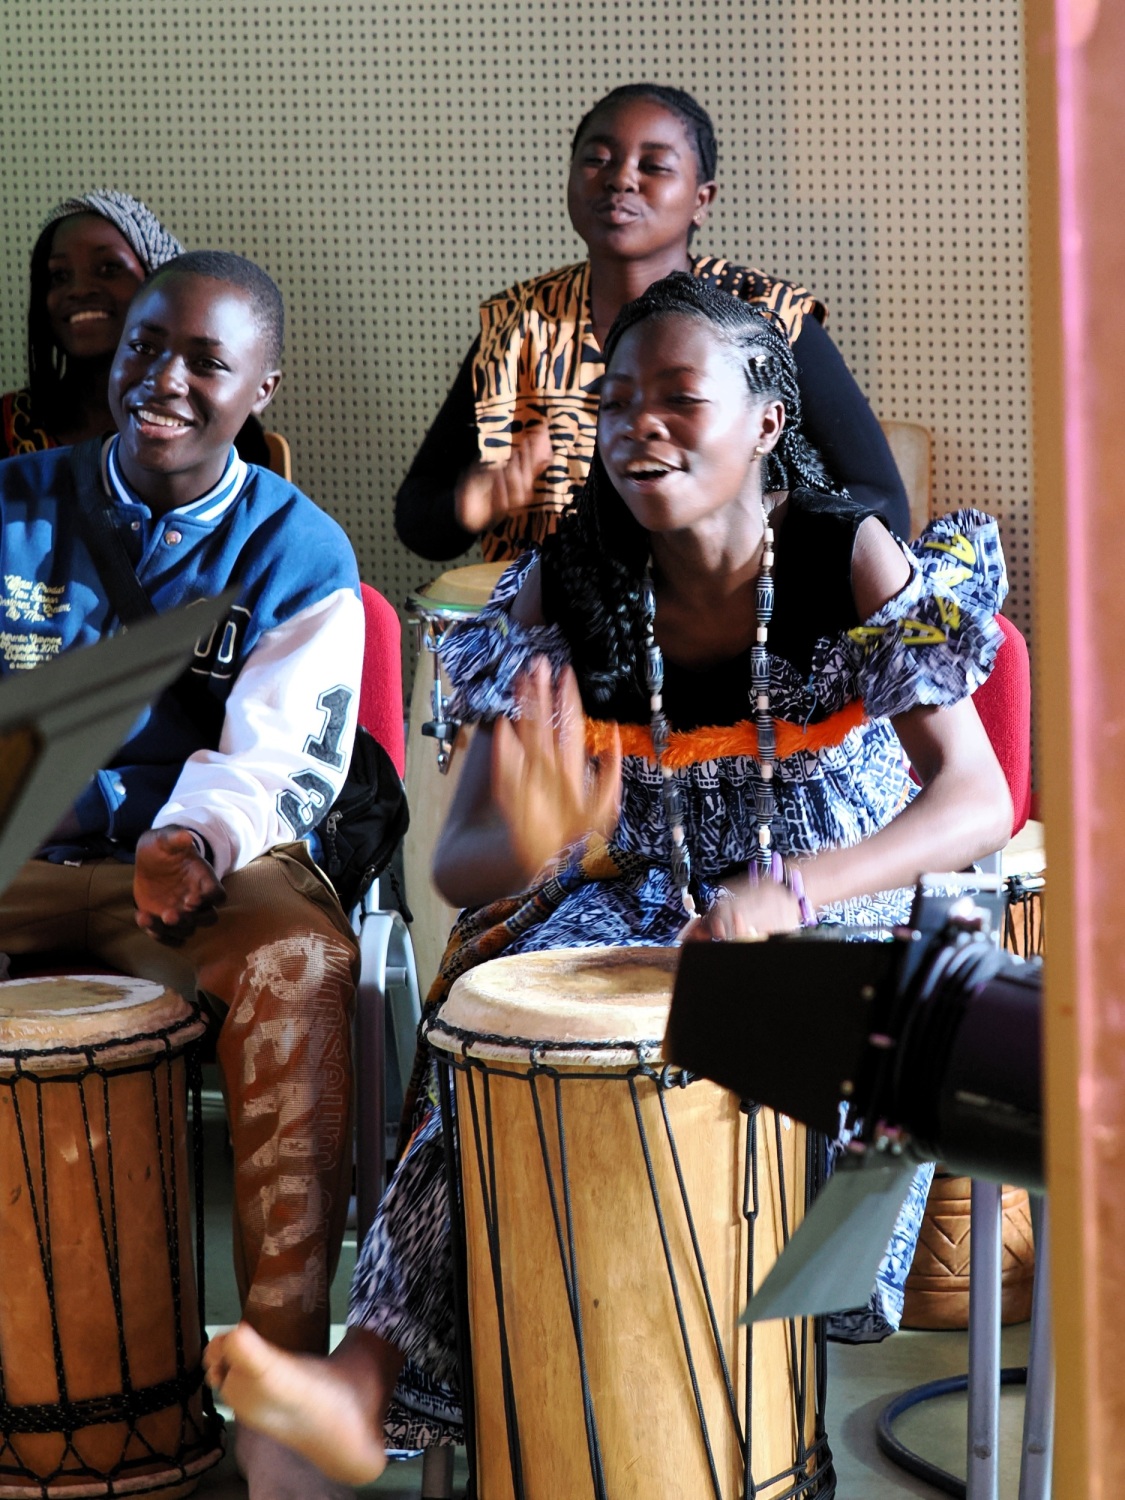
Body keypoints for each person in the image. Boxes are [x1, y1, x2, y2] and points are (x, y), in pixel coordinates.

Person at [205, 272, 1010, 1486]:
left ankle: (742, 1398)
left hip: (846, 876)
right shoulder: (564, 579)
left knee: (768, 1003)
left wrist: (790, 891)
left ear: (768, 425)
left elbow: (976, 797)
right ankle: (360, 1383)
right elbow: (462, 864)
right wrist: (536, 829)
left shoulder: (849, 550)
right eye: (619, 398)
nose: (642, 423)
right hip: (645, 881)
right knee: (489, 1020)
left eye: (681, 398)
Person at [0, 251, 363, 1500]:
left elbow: (279, 757)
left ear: (263, 384)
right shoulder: (14, 505)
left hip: (194, 869)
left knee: (298, 963)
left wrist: (195, 840)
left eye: (206, 360)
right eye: (146, 346)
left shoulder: (300, 550)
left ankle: (278, 1394)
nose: (162, 378)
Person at [394, 82, 910, 563]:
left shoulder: (764, 318)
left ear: (701, 200)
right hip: (549, 637)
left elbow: (882, 501)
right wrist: (473, 502)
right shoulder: (521, 327)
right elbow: (419, 522)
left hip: (731, 627)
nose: (620, 178)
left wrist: (756, 546)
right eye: (597, 159)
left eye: (655, 166)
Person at [1, 189, 269, 464]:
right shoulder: (7, 424)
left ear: (157, 282)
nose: (78, 291)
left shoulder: (224, 427)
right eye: (59, 275)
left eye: (109, 269)